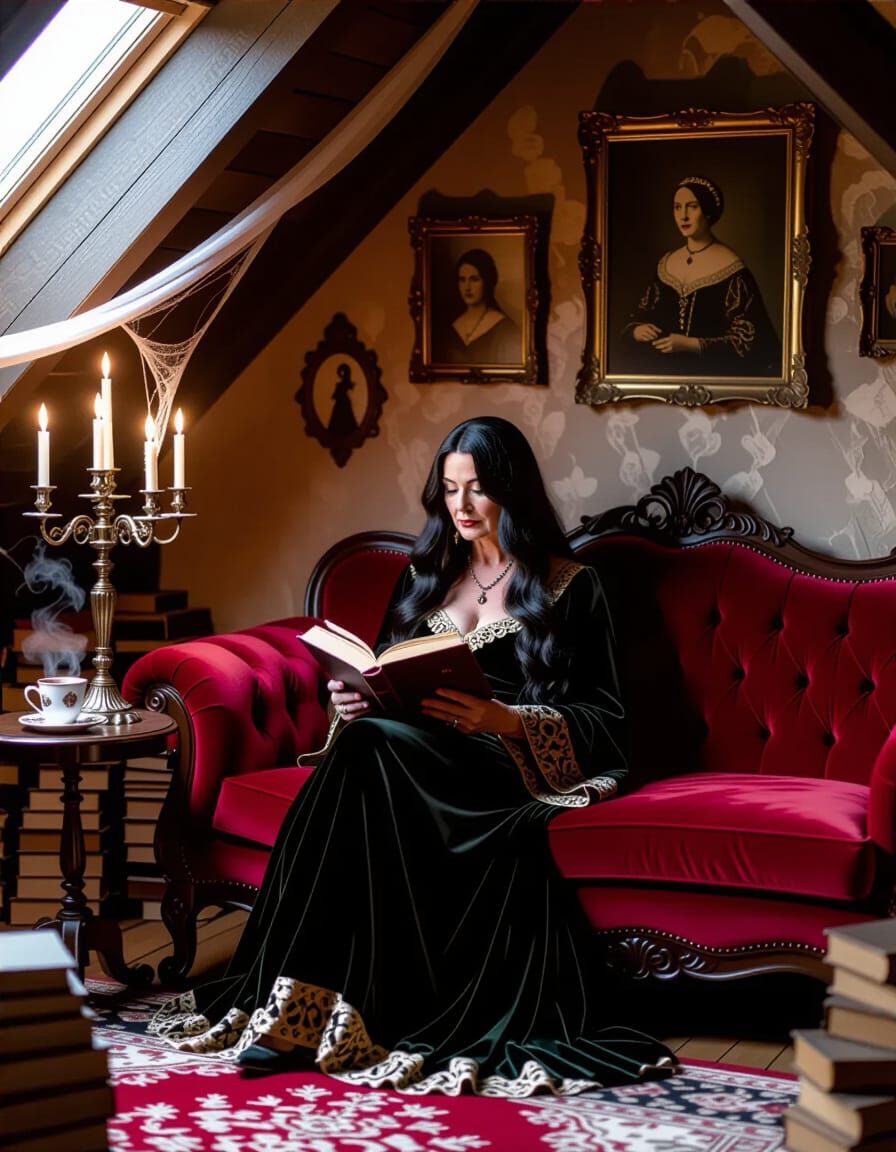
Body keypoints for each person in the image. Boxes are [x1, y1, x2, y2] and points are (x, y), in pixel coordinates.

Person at [148, 416, 679, 1096]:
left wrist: (506, 719)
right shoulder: (424, 578)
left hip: (497, 768)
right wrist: (353, 702)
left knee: (368, 755)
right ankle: (299, 1011)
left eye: (477, 489)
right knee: (366, 743)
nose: (461, 506)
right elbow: (383, 673)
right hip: (401, 754)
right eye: (450, 490)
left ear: (512, 490)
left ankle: (297, 1016)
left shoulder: (572, 586)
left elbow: (608, 723)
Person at [619, 175, 781, 377]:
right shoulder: (666, 263)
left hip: (710, 376)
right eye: (677, 207)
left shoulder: (732, 268)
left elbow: (747, 341)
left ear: (708, 211)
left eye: (692, 207)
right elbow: (638, 315)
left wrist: (691, 344)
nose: (683, 216)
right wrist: (637, 331)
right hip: (663, 375)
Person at [432, 249, 522, 365]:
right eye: (462, 280)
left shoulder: (505, 330)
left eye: (474, 279)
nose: (467, 287)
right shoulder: (450, 328)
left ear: (487, 282)